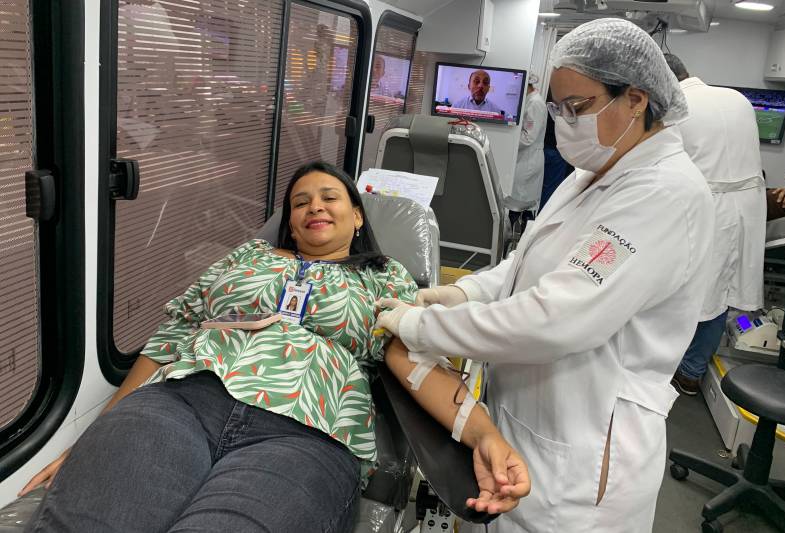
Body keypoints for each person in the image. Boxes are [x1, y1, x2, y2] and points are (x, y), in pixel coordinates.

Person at [20, 161, 530, 532]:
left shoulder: (385, 276)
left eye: (329, 197)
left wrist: (483, 434)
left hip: (308, 433)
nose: (314, 207)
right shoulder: (249, 256)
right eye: (300, 202)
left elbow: (413, 360)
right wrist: (96, 432)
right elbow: (175, 331)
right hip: (181, 402)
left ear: (357, 216)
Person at [376, 18, 714, 532]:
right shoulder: (592, 173)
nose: (564, 123)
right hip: (528, 419)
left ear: (636, 100)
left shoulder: (664, 195)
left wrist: (421, 327)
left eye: (576, 107)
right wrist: (462, 292)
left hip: (584, 454)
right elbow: (525, 264)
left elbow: (557, 317)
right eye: (557, 108)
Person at [664, 54, 767, 396]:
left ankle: (668, 369)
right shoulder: (737, 98)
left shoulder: (676, 108)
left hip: (707, 207)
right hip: (747, 207)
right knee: (720, 293)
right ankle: (692, 373)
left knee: (684, 290)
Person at [506, 72, 547, 234]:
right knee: (519, 200)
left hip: (528, 160)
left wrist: (506, 143)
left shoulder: (535, 103)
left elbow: (528, 137)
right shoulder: (529, 100)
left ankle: (517, 237)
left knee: (520, 202)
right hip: (524, 158)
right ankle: (514, 233)